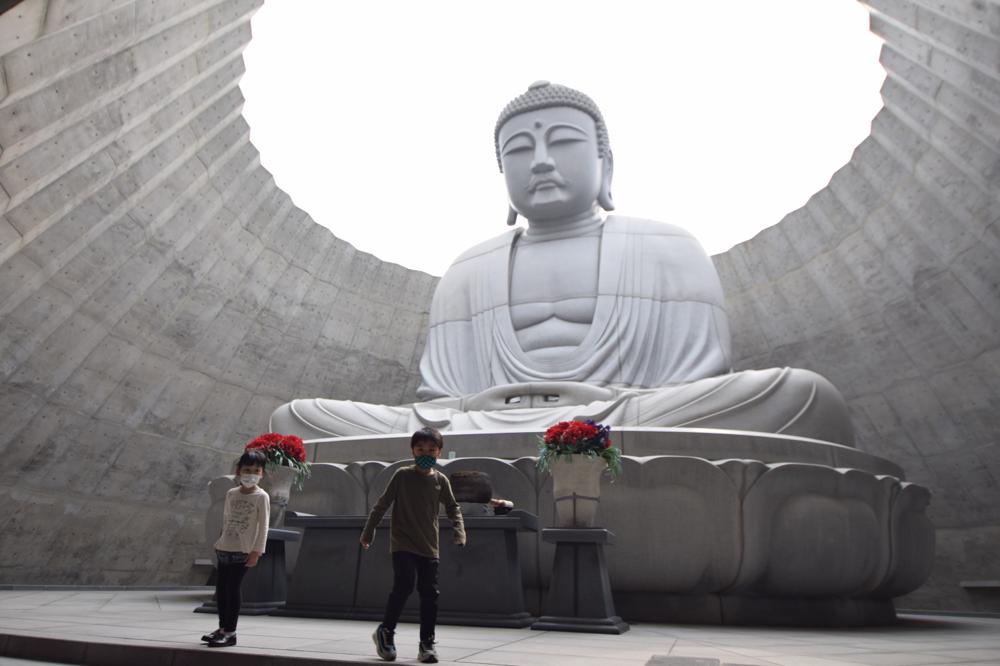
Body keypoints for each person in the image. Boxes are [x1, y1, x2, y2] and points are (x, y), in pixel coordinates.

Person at [269, 81, 854, 447]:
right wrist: (482, 415)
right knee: (298, 417)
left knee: (802, 396)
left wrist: (601, 411)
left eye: (564, 143)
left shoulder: (668, 246)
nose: (541, 162)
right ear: (502, 173)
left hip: (631, 418)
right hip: (478, 427)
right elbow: (443, 395)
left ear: (606, 162)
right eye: (519, 150)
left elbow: (693, 384)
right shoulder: (469, 268)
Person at [361, 427, 466, 663]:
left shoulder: (441, 480)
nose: (425, 453)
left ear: (439, 452)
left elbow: (453, 507)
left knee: (430, 594)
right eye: (420, 449)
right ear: (412, 450)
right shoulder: (402, 475)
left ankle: (427, 644)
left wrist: (459, 532)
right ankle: (386, 633)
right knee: (404, 586)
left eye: (431, 450)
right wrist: (368, 532)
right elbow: (382, 504)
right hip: (403, 543)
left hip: (429, 545)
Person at [201, 449, 269, 648]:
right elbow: (226, 519)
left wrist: (257, 551)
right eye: (247, 470)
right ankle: (222, 629)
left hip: (243, 551)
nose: (252, 474)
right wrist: (219, 542)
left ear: (262, 473)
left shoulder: (261, 496)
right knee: (221, 590)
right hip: (224, 548)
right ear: (239, 471)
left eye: (256, 470)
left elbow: (264, 525)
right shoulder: (231, 493)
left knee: (232, 589)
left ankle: (230, 632)